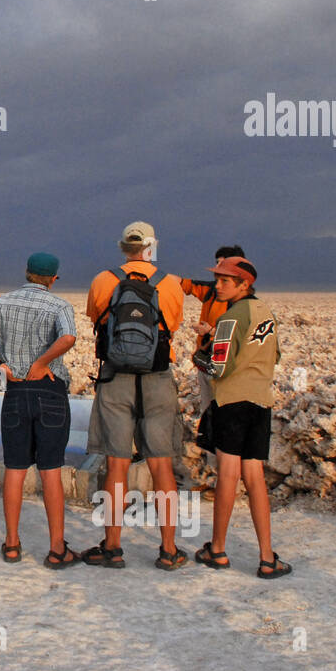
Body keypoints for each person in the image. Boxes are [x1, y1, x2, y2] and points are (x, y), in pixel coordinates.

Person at [83, 221, 188, 570]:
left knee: (116, 464)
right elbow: (171, 326)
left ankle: (113, 547)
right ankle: (169, 549)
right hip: (157, 379)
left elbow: (97, 320)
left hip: (115, 378)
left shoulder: (102, 280)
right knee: (162, 466)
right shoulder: (170, 284)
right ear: (151, 246)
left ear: (123, 247)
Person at [0, 253, 79, 568]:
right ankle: (57, 548)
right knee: (51, 471)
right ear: (53, 279)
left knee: (14, 469)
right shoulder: (60, 306)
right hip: (50, 392)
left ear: (27, 273)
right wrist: (42, 363)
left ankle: (12, 543)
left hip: (14, 391)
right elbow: (69, 337)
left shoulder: (3, 301)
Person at [193, 256, 291, 578]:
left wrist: (201, 357)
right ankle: (267, 557)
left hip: (231, 401)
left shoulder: (230, 317)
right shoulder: (266, 312)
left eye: (224, 281)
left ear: (243, 284)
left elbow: (218, 367)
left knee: (228, 475)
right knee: (255, 477)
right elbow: (273, 354)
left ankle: (218, 549)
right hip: (260, 402)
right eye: (216, 279)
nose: (216, 286)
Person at [180, 244, 245, 461]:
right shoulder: (211, 291)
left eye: (222, 263)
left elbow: (238, 332)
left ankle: (226, 480)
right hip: (206, 365)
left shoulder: (243, 301)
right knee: (209, 420)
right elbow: (182, 283)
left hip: (226, 369)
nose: (217, 268)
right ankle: (212, 473)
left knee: (225, 421)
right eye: (217, 263)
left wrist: (210, 330)